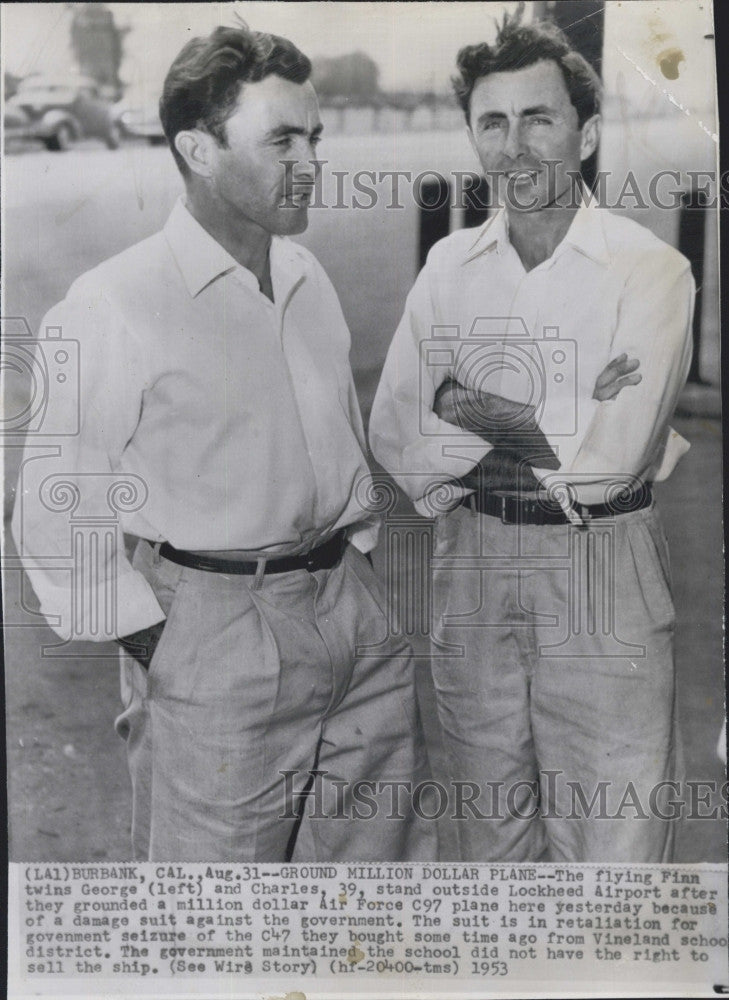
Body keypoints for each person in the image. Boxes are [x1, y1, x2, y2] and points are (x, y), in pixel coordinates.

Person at [12, 25, 436, 863]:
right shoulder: (115, 302)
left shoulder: (307, 277)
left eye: (313, 136)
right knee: (218, 930)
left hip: (350, 619)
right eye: (280, 138)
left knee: (369, 909)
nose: (310, 160)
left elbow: (335, 446)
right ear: (198, 150)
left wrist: (356, 577)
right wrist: (160, 646)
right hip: (213, 632)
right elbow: (53, 511)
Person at [369, 12, 694, 862]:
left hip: (602, 568)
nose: (514, 147)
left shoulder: (650, 270)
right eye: (492, 123)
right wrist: (559, 405)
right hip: (469, 563)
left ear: (585, 135)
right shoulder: (448, 270)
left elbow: (608, 465)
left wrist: (468, 402)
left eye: (537, 119)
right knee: (486, 852)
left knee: (611, 857)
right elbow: (393, 439)